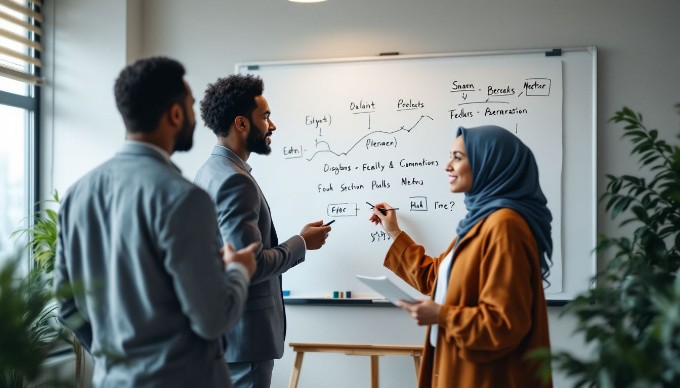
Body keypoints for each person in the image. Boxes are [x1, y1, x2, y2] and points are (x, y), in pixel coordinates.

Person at [54, 57, 258, 387]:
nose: (195, 116)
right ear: (175, 115)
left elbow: (67, 306)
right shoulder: (184, 198)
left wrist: (116, 362)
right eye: (191, 106)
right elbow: (213, 319)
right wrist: (239, 270)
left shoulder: (76, 195)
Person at [369, 125, 553, 388]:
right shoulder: (478, 223)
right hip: (463, 369)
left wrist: (441, 316)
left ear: (489, 162)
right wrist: (394, 232)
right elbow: (436, 278)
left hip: (488, 377)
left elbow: (505, 323)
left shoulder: (505, 226)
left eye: (458, 157)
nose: (447, 166)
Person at [194, 74, 331, 388]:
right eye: (266, 117)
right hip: (245, 342)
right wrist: (301, 243)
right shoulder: (235, 180)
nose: (273, 126)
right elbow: (249, 265)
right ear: (242, 124)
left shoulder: (208, 172)